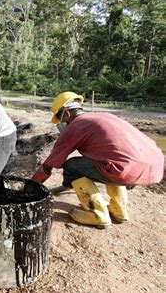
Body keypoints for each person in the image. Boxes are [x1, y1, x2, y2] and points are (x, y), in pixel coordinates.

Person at [31, 91, 164, 228]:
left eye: (61, 120)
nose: (61, 124)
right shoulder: (104, 116)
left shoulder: (77, 126)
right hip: (153, 166)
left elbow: (47, 167)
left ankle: (98, 215)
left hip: (124, 169)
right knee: (109, 160)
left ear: (67, 114)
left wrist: (30, 187)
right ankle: (119, 211)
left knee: (71, 166)